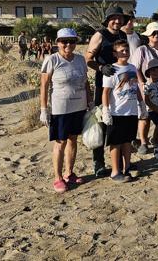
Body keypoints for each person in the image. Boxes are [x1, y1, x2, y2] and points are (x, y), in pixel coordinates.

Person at [39, 28, 92, 192]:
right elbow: (44, 85)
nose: (68, 44)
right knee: (60, 142)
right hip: (60, 108)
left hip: (79, 106)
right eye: (64, 41)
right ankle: (58, 177)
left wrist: (90, 101)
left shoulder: (81, 60)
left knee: (73, 140)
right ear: (58, 42)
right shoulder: (52, 59)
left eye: (72, 41)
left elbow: (85, 82)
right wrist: (43, 108)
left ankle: (70, 173)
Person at [85, 6, 129, 177]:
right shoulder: (99, 35)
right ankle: (99, 162)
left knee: (118, 122)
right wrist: (101, 67)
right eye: (114, 18)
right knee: (101, 122)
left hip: (120, 85)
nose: (117, 21)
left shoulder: (122, 35)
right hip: (102, 84)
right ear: (107, 19)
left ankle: (116, 161)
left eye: (120, 18)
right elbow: (88, 58)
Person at [100, 39, 146, 182]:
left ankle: (127, 168)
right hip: (117, 112)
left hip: (131, 112)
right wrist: (106, 110)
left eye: (127, 50)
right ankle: (115, 171)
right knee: (116, 142)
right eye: (121, 51)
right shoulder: (112, 70)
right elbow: (106, 92)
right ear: (115, 53)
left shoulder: (132, 68)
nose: (125, 53)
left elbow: (136, 87)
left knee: (127, 142)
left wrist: (141, 104)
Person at [130, 21, 158, 153]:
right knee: (145, 116)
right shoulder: (142, 50)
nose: (156, 35)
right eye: (153, 33)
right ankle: (143, 142)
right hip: (146, 87)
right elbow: (135, 67)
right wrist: (142, 82)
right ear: (148, 35)